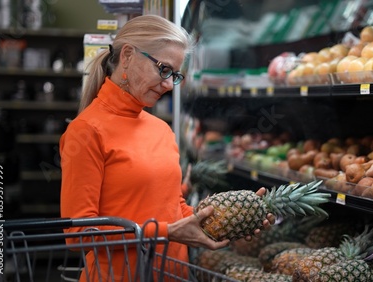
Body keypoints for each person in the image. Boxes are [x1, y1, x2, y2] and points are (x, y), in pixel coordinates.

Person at [59, 14, 274, 281]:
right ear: (127, 56)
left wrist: (225, 218)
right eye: (163, 69)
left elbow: (172, 206)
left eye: (175, 75)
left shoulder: (160, 129)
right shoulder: (86, 131)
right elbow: (78, 234)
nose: (168, 85)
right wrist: (167, 232)